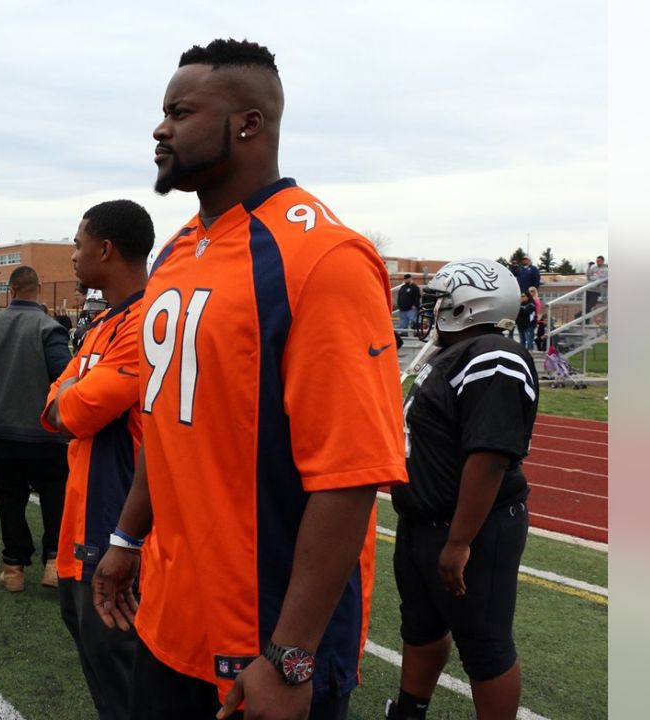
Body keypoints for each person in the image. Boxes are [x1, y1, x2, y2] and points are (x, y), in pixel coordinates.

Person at [91, 39, 407, 719]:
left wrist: (291, 656)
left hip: (263, 638)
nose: (160, 127)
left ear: (248, 124)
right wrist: (125, 538)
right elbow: (170, 419)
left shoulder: (324, 259)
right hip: (169, 614)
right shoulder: (177, 251)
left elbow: (351, 475)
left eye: (180, 111)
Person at [385, 257, 536, 720]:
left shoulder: (494, 354)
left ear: (470, 305)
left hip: (470, 528)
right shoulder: (452, 354)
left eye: (440, 301)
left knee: (485, 644)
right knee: (422, 626)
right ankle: (410, 710)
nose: (432, 311)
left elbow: (489, 455)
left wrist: (459, 541)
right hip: (424, 522)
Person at [42, 199, 154, 719]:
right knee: (97, 659)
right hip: (81, 518)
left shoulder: (148, 323)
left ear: (105, 249)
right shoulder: (106, 323)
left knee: (124, 668)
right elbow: (56, 403)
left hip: (119, 523)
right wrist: (66, 398)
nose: (73, 254)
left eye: (78, 243)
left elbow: (76, 410)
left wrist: (67, 396)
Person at [0, 265, 71, 592]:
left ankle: (13, 566)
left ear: (11, 290)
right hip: (43, 431)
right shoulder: (50, 327)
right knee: (54, 494)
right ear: (40, 287)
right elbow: (64, 379)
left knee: (9, 496)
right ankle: (54, 562)